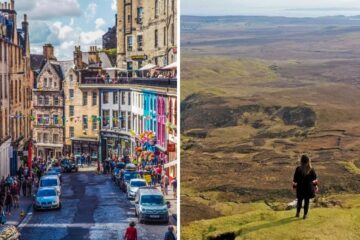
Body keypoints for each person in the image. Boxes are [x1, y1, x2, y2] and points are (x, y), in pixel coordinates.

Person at [293, 154, 318, 219]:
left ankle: (297, 214)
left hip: (300, 188)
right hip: (308, 188)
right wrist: (316, 186)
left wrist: (294, 187)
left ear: (301, 161)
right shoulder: (311, 169)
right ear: (308, 161)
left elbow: (295, 179)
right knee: (306, 202)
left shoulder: (298, 169)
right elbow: (314, 179)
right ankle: (305, 215)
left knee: (299, 201)